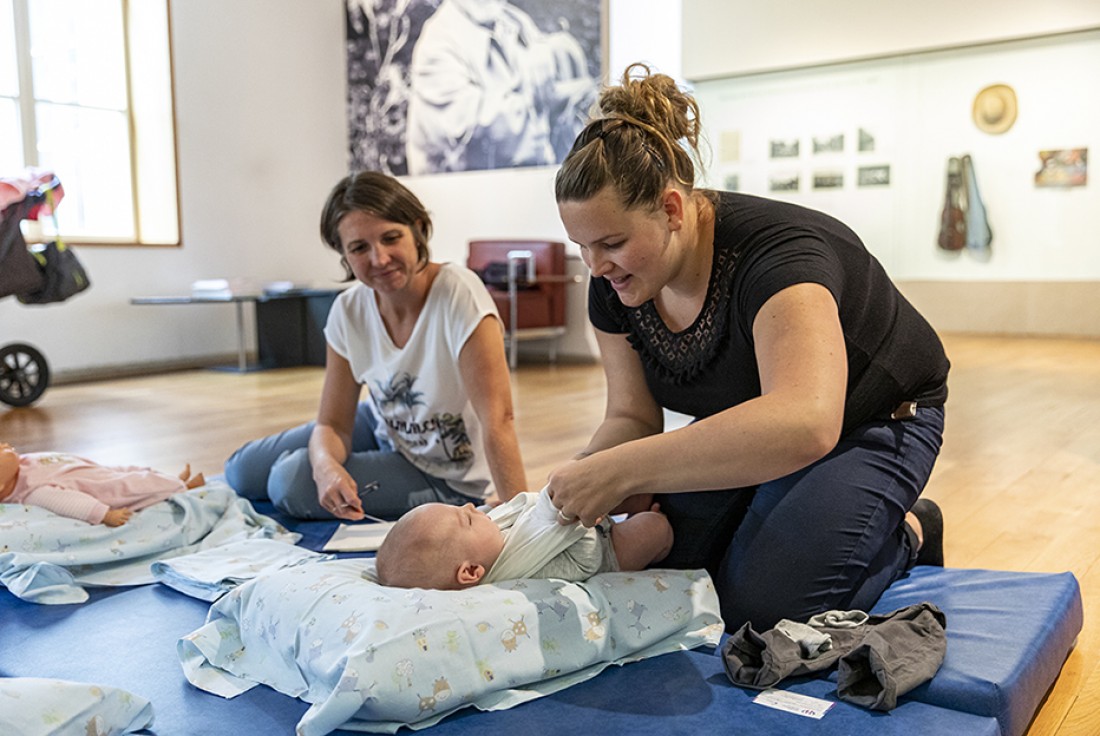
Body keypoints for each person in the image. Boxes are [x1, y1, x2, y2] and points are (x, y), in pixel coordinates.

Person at [545, 64, 950, 632]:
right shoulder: (614, 281)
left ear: (671, 209)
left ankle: (909, 529)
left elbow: (806, 421)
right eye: (581, 247)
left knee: (762, 609)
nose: (596, 266)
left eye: (611, 243)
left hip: (875, 419)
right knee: (666, 560)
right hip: (756, 425)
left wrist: (624, 471)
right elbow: (631, 415)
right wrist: (579, 481)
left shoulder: (779, 257)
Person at [224, 172, 527, 521]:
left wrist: (522, 519)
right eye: (359, 248)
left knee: (288, 483)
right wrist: (325, 465)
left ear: (417, 230)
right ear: (344, 255)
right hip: (386, 423)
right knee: (242, 472)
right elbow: (334, 424)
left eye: (391, 238)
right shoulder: (349, 309)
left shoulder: (459, 294)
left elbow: (498, 419)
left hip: (444, 473)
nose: (379, 259)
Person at [405, 0, 594, 174]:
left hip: (523, 188)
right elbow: (475, 134)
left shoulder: (512, 20)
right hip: (466, 197)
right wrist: (548, 101)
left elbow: (548, 76)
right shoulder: (438, 42)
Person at [374, 487, 672, 590]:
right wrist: (580, 526)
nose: (469, 507)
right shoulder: (519, 572)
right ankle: (646, 526)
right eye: (465, 518)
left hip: (587, 520)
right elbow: (584, 565)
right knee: (655, 527)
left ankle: (632, 505)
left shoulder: (485, 544)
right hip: (609, 550)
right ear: (470, 572)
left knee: (621, 488)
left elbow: (519, 517)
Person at [0, 442, 205, 526]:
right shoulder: (31, 491)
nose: (4, 445)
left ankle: (173, 480)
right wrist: (103, 514)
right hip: (101, 487)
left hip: (95, 470)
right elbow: (68, 502)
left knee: (133, 470)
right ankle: (184, 488)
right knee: (134, 485)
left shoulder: (22, 463)